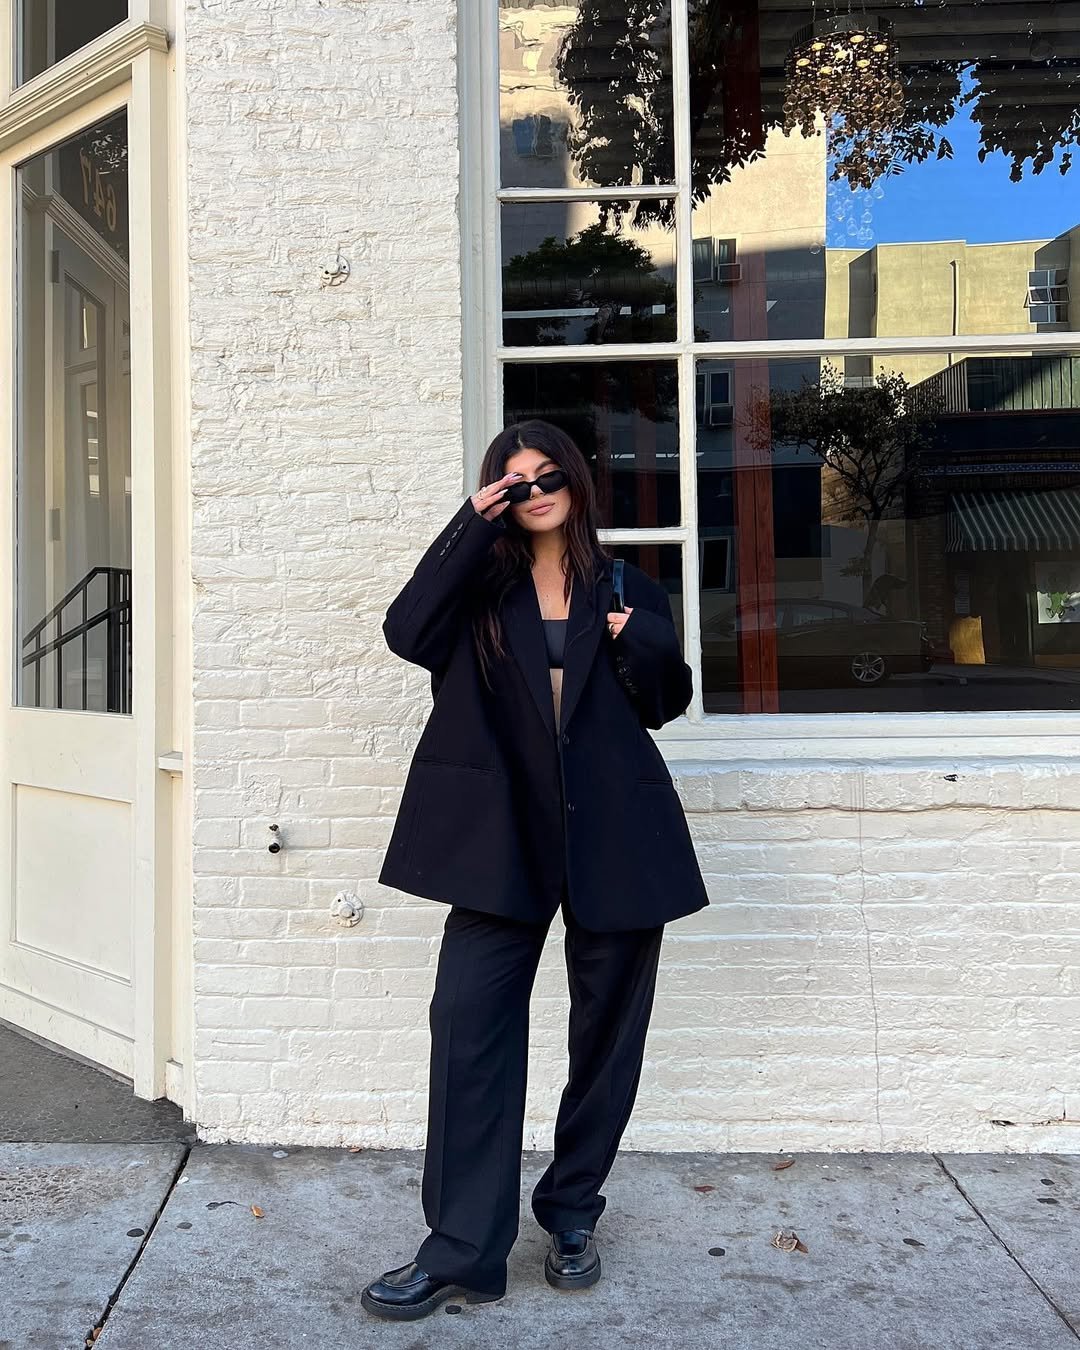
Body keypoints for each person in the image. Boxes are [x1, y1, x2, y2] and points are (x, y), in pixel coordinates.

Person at [362, 419, 710, 1321]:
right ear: (496, 496)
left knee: (606, 1041)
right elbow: (405, 631)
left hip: (616, 833)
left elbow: (665, 702)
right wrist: (468, 527)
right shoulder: (477, 588)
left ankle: (572, 1213)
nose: (535, 491)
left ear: (576, 483)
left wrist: (641, 642)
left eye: (548, 475)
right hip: (500, 837)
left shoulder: (626, 585)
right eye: (514, 482)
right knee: (468, 1028)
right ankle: (461, 1250)